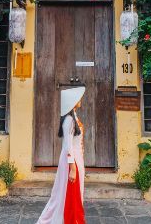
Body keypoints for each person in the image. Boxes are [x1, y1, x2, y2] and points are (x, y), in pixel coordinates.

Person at [37, 86, 86, 224]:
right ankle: (65, 219)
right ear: (72, 101)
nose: (80, 99)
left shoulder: (73, 117)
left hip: (76, 159)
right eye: (78, 98)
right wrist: (72, 168)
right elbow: (68, 145)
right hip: (72, 160)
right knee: (66, 192)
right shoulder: (69, 120)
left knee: (72, 192)